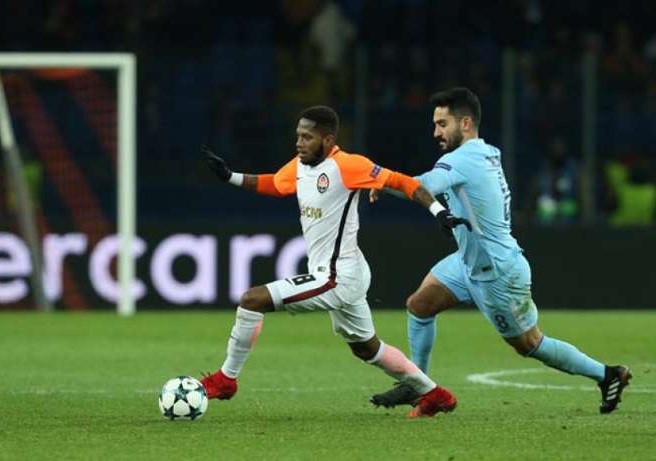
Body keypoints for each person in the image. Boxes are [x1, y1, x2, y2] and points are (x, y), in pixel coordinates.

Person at [369, 87, 631, 414]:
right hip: (468, 263)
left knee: (531, 345)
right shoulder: (486, 151)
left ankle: (607, 375)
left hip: (497, 272)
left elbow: (422, 186)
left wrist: (379, 179)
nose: (435, 132)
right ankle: (419, 385)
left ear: (465, 123)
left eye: (442, 124)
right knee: (419, 305)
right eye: (434, 124)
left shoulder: (460, 159)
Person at [202, 105, 470, 418]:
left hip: (337, 276)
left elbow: (402, 182)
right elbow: (276, 184)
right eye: (298, 135)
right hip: (345, 272)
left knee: (252, 299)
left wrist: (438, 212)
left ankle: (226, 380)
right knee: (366, 348)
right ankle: (435, 394)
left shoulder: (349, 166)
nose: (299, 143)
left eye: (307, 137)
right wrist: (230, 177)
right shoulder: (301, 164)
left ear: (328, 140)